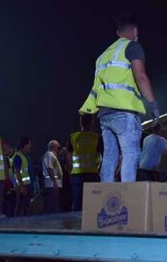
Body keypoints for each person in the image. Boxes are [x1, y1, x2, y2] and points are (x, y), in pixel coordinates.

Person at [79, 14, 159, 182]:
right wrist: (153, 104)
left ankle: (107, 199)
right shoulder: (133, 46)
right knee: (131, 153)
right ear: (135, 31)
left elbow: (96, 87)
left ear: (117, 33)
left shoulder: (103, 56)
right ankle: (127, 199)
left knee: (110, 156)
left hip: (104, 114)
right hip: (124, 113)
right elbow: (141, 76)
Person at [68, 114, 102, 211]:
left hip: (77, 174)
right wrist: (98, 170)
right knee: (93, 201)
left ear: (80, 122)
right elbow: (100, 157)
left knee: (77, 202)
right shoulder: (97, 137)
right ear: (92, 122)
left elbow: (69, 157)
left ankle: (76, 224)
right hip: (92, 174)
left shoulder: (73, 137)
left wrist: (71, 170)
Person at [12, 138, 33, 216]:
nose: (30, 146)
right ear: (25, 145)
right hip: (22, 186)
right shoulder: (18, 156)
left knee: (25, 206)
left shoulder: (24, 156)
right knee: (21, 206)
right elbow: (17, 173)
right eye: (29, 144)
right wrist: (22, 187)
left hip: (26, 184)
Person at [42, 140, 63, 214]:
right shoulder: (49, 155)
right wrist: (54, 182)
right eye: (58, 147)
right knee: (52, 205)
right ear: (54, 147)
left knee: (54, 204)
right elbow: (49, 168)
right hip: (52, 185)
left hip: (53, 184)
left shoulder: (52, 155)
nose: (59, 149)